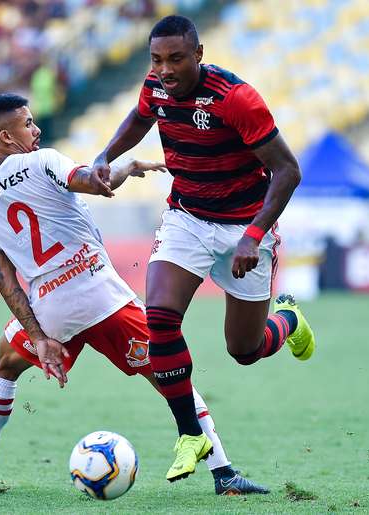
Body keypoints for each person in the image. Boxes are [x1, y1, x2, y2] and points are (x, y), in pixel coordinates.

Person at [0, 93, 269, 495]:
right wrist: (121, 167)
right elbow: (92, 181)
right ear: (7, 137)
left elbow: (6, 281)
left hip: (51, 307)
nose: (37, 129)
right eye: (29, 124)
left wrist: (40, 337)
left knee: (4, 366)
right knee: (170, 376)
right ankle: (224, 474)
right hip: (101, 295)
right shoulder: (42, 161)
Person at [92, 15, 316, 481]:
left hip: (243, 229)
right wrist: (104, 156)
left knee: (244, 350)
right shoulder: (155, 87)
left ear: (199, 53)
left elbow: (288, 170)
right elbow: (138, 118)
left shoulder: (236, 99)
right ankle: (191, 434)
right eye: (156, 60)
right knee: (160, 318)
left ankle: (289, 320)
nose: (165, 70)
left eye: (175, 58)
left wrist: (254, 235)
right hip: (186, 219)